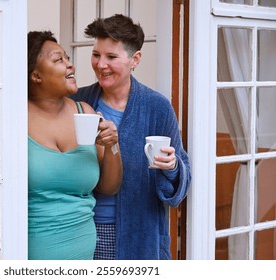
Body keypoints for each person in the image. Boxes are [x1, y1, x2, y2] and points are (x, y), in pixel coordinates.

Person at [0, 30, 123, 260]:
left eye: (67, 58)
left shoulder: (85, 112)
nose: (71, 66)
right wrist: (3, 148)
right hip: (20, 249)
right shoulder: (6, 115)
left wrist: (112, 146)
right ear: (36, 76)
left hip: (81, 247)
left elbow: (109, 187)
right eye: (59, 60)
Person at [70, 14, 191, 260]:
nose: (100, 64)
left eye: (111, 57)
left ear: (135, 59)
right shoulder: (77, 102)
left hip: (142, 236)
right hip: (82, 230)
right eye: (96, 55)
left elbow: (182, 174)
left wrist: (172, 166)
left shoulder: (157, 106)